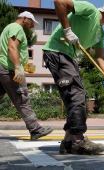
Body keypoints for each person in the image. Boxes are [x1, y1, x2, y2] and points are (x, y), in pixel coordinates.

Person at [42, 0, 104, 155]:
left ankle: (68, 141)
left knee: (73, 95)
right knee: (76, 94)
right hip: (57, 51)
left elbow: (100, 58)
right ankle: (79, 141)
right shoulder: (90, 11)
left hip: (68, 56)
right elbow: (59, 2)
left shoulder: (101, 34)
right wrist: (67, 30)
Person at [0, 11, 53, 140]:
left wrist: (23, 64)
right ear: (24, 19)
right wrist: (18, 68)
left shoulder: (9, 27)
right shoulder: (16, 28)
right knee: (22, 99)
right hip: (10, 71)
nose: (32, 26)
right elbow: (12, 48)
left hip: (3, 69)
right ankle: (35, 129)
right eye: (31, 23)